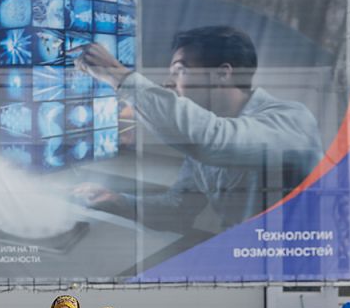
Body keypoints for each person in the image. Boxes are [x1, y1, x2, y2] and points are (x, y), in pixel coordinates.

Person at [74, 26, 323, 232]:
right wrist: (116, 200)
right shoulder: (207, 137)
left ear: (222, 74)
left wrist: (118, 76)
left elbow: (212, 142)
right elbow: (177, 210)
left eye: (180, 71)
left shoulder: (292, 120)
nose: (168, 82)